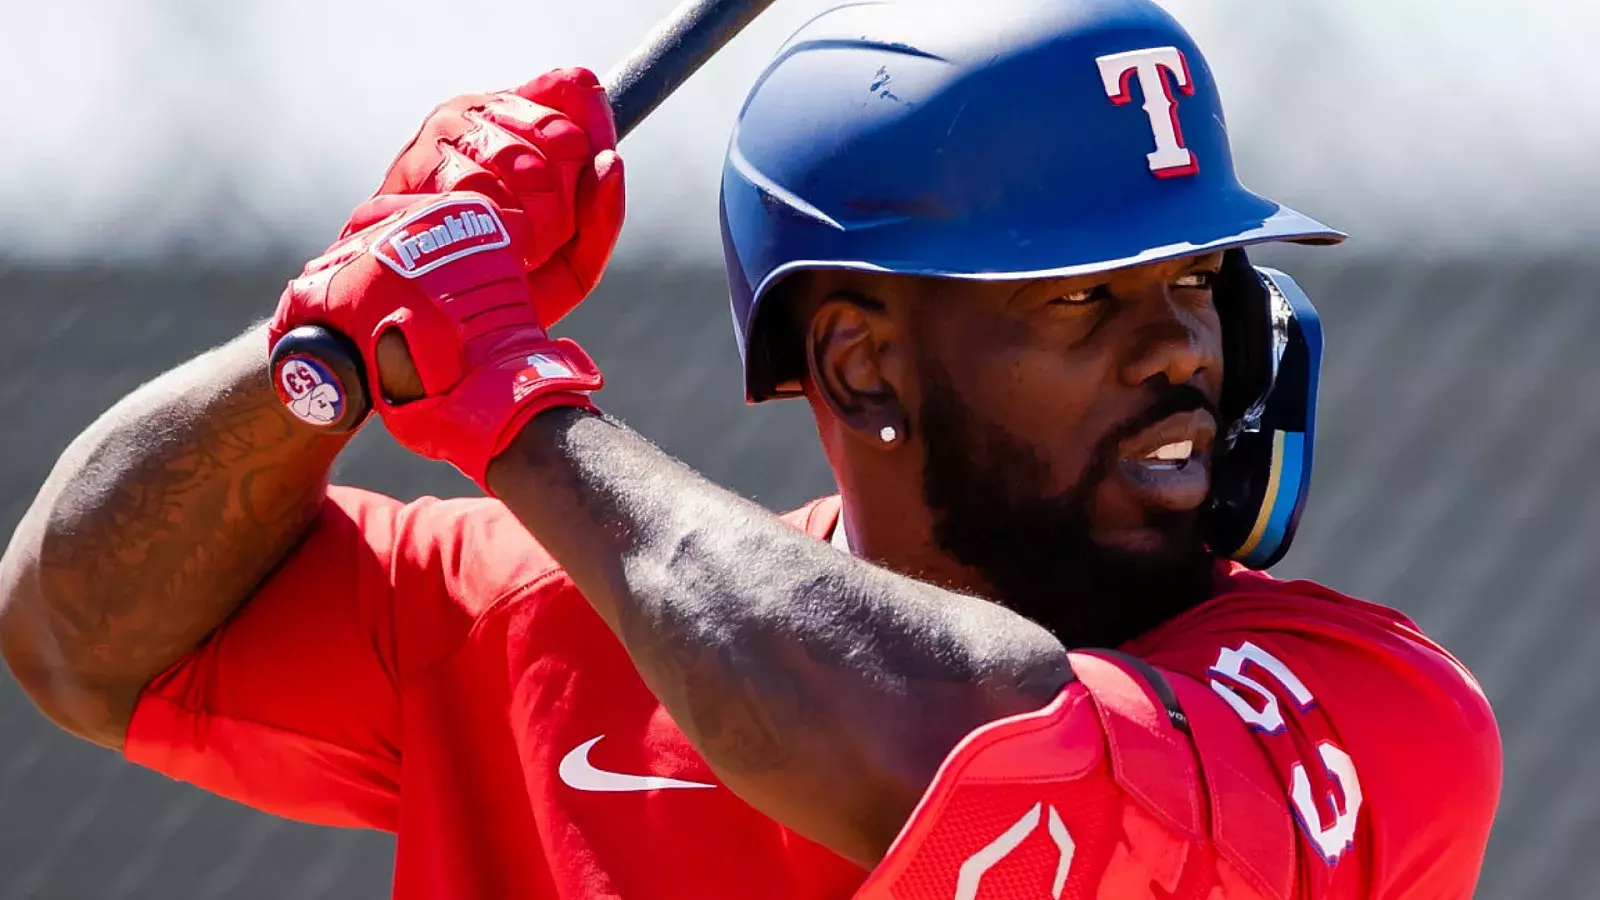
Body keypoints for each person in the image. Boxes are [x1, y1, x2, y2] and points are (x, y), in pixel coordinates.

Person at [0, 1, 1500, 897]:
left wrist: (509, 400)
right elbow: (80, 632)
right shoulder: (548, 616)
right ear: (860, 362)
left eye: (1196, 281)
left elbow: (946, 747)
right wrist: (329, 336)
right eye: (1086, 296)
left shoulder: (1362, 710)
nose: (1182, 345)